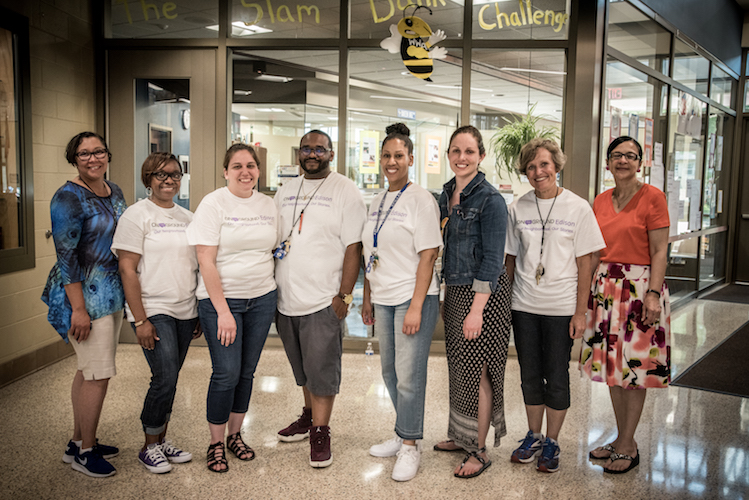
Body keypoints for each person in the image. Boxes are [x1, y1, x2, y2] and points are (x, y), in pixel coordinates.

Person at [504, 139, 605, 473]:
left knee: (556, 375)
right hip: (524, 304)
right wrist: (505, 301)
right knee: (530, 375)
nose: (538, 172)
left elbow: (587, 263)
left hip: (562, 306)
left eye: (544, 164)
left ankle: (553, 440)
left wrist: (580, 311)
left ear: (557, 166)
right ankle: (533, 435)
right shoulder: (518, 207)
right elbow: (510, 259)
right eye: (531, 167)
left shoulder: (578, 208)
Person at [274, 130, 367, 468]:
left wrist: (345, 294)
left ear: (331, 153)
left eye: (319, 149)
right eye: (306, 148)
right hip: (286, 299)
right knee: (302, 370)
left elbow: (353, 247)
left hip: (322, 299)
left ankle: (321, 432)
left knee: (322, 370)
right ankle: (308, 415)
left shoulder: (345, 190)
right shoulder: (285, 191)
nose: (312, 154)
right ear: (299, 153)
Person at [581, 136, 671, 474]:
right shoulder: (601, 201)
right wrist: (586, 293)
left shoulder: (653, 198)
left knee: (635, 370)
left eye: (630, 156)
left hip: (639, 290)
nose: (623, 161)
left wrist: (653, 293)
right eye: (617, 155)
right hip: (605, 290)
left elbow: (660, 250)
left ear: (640, 162)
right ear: (608, 162)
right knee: (613, 370)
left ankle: (628, 444)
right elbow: (593, 251)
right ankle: (622, 439)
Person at [186, 144, 278, 473]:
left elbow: (275, 250)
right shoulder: (213, 204)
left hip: (262, 299)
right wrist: (223, 311)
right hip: (221, 302)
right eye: (237, 166)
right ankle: (214, 442)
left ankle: (235, 435)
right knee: (226, 372)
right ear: (225, 171)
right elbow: (205, 260)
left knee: (246, 372)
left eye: (251, 165)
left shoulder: (268, 204)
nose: (245, 171)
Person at [42, 132, 127, 478]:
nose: (93, 159)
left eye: (98, 152)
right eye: (84, 154)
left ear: (108, 154)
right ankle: (86, 453)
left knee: (87, 369)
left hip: (111, 293)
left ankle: (77, 442)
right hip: (85, 299)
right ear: (73, 159)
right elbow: (66, 259)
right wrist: (78, 309)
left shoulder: (114, 190)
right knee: (98, 374)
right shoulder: (67, 197)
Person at [361, 123, 442, 481]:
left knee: (410, 377)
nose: (391, 161)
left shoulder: (421, 199)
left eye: (398, 156)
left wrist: (415, 306)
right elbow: (370, 252)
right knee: (390, 373)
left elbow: (429, 256)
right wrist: (367, 296)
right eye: (387, 155)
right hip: (383, 297)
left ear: (410, 159)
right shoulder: (377, 200)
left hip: (414, 298)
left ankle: (410, 445)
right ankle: (402, 430)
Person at [112, 152, 199, 474]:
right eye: (161, 175)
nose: (169, 180)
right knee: (163, 377)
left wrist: (199, 312)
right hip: (154, 308)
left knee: (172, 378)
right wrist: (141, 320)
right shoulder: (136, 216)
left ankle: (161, 441)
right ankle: (149, 445)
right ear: (148, 178)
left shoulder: (188, 218)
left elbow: (195, 267)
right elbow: (127, 269)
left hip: (185, 310)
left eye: (175, 174)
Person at [433, 125, 511, 479]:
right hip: (456, 290)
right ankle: (461, 436)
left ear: (481, 156)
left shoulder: (491, 199)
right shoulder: (446, 194)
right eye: (455, 151)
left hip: (484, 296)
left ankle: (479, 450)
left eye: (469, 151)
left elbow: (494, 260)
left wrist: (476, 309)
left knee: (480, 372)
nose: (461, 158)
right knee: (459, 370)